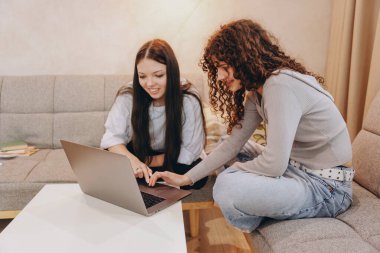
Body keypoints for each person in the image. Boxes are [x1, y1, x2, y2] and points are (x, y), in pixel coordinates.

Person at [149, 19, 354, 232]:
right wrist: (185, 178)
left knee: (226, 187)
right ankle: (264, 205)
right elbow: (232, 145)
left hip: (328, 188)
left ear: (243, 59)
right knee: (228, 148)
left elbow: (274, 164)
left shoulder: (280, 86)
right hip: (295, 169)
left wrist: (236, 172)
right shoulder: (257, 93)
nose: (219, 77)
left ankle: (258, 209)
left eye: (223, 67)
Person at [101, 39, 208, 189]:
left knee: (196, 174)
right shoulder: (128, 95)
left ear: (171, 72)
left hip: (172, 157)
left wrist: (145, 162)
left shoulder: (188, 98)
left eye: (158, 75)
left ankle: (145, 178)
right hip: (138, 152)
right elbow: (112, 139)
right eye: (142, 76)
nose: (149, 84)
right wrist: (133, 162)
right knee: (108, 165)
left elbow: (189, 151)